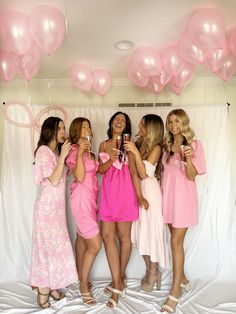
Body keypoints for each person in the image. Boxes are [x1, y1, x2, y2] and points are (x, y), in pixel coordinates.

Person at [161, 109, 206, 313]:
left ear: (184, 122)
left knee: (175, 243)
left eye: (177, 121)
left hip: (184, 201)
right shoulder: (167, 147)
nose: (173, 125)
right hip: (168, 200)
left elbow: (191, 176)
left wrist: (188, 157)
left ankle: (175, 291)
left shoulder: (194, 145)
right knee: (174, 240)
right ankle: (184, 278)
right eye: (170, 121)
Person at [29, 116, 78, 309]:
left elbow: (65, 176)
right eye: (60, 129)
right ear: (50, 130)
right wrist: (64, 156)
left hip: (56, 211)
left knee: (56, 250)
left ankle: (52, 286)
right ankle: (43, 290)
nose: (63, 132)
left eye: (64, 128)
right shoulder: (43, 151)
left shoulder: (55, 153)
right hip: (46, 211)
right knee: (45, 251)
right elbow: (55, 180)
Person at [124, 114, 171, 292]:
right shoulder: (138, 144)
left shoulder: (157, 148)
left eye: (143, 125)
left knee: (151, 234)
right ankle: (152, 270)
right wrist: (138, 196)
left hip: (151, 193)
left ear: (151, 128)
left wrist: (135, 152)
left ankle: (152, 273)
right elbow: (134, 173)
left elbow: (145, 174)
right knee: (139, 234)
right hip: (139, 193)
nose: (139, 126)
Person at [98, 111, 139, 308]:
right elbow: (101, 170)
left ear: (126, 126)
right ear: (112, 122)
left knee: (124, 238)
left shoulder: (130, 145)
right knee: (107, 237)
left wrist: (139, 195)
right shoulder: (103, 144)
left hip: (125, 194)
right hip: (107, 195)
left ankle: (118, 281)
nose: (119, 121)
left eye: (123, 120)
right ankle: (118, 280)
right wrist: (110, 158)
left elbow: (133, 171)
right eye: (117, 118)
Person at [66, 117, 101, 307]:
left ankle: (80, 276)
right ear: (76, 132)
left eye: (88, 125)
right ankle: (83, 287)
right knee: (95, 245)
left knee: (81, 239)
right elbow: (79, 176)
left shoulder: (91, 152)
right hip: (80, 200)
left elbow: (96, 173)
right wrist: (79, 152)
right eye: (83, 127)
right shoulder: (73, 151)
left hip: (91, 200)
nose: (87, 128)